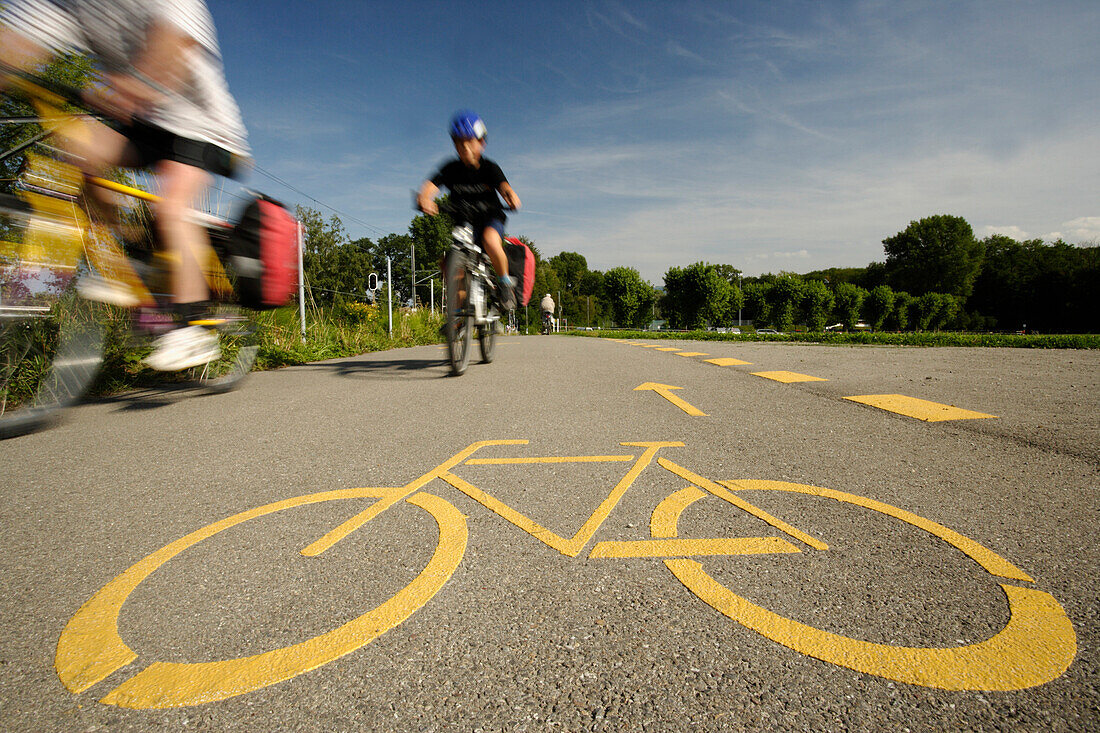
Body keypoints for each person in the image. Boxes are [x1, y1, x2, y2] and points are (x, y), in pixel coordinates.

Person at [0, 0, 251, 371]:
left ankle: (191, 327)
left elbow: (177, 42)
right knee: (78, 152)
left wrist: (132, 86)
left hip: (202, 125)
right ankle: (134, 253)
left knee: (169, 208)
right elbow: (19, 40)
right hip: (144, 121)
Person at [417, 110, 521, 309]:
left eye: (469, 141)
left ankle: (505, 283)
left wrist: (511, 197)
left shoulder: (489, 168)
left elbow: (504, 187)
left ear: (481, 142)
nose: (464, 147)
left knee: (490, 240)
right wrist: (425, 199)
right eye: (458, 142)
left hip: (490, 217)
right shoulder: (451, 169)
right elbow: (431, 186)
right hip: (464, 221)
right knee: (449, 265)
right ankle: (458, 315)